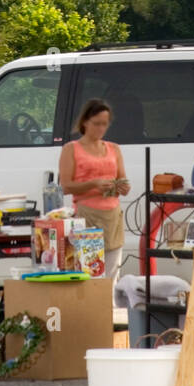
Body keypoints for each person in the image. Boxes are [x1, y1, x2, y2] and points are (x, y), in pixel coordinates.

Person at [59, 98, 130, 282]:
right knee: (90, 272)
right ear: (85, 122)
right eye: (96, 124)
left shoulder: (113, 148)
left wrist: (122, 186)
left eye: (104, 124)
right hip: (87, 215)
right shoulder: (71, 149)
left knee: (112, 272)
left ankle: (110, 308)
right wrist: (93, 184)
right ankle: (91, 307)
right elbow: (66, 186)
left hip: (112, 215)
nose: (100, 129)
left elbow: (122, 178)